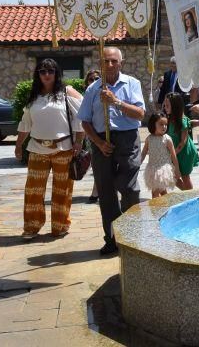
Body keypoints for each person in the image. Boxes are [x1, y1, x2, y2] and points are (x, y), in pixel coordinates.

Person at [78, 46, 146, 256]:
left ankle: (132, 234)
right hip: (102, 142)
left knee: (129, 188)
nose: (109, 65)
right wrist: (98, 143)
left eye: (113, 61)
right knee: (106, 193)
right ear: (100, 63)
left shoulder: (132, 84)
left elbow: (140, 114)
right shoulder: (92, 90)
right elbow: (85, 122)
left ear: (121, 62)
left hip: (127, 139)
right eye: (105, 61)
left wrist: (115, 102)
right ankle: (112, 238)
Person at [14, 59, 85, 240]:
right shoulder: (34, 96)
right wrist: (18, 145)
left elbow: (82, 116)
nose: (47, 75)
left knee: (62, 190)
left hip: (64, 148)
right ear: (38, 74)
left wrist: (79, 142)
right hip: (37, 149)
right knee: (33, 191)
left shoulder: (66, 92)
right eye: (42, 71)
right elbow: (25, 124)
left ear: (57, 73)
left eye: (51, 71)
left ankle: (60, 226)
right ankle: (31, 227)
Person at [141, 113, 181, 199]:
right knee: (163, 192)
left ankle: (155, 211)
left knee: (155, 193)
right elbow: (144, 152)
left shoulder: (167, 139)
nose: (164, 127)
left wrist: (177, 169)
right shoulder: (149, 138)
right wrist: (138, 162)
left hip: (163, 170)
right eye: (161, 124)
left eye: (166, 124)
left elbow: (174, 156)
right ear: (153, 124)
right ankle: (167, 207)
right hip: (152, 169)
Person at [165, 92, 199, 191]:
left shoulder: (182, 120)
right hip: (175, 152)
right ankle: (187, 193)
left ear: (175, 106)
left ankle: (189, 195)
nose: (165, 107)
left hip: (184, 152)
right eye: (165, 105)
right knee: (171, 175)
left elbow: (183, 142)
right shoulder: (170, 119)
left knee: (184, 176)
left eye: (167, 105)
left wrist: (173, 153)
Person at [83, 69, 101, 204]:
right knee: (96, 164)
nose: (94, 81)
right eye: (91, 79)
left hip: (106, 132)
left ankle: (98, 190)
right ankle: (97, 189)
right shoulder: (86, 95)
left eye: (96, 79)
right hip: (91, 134)